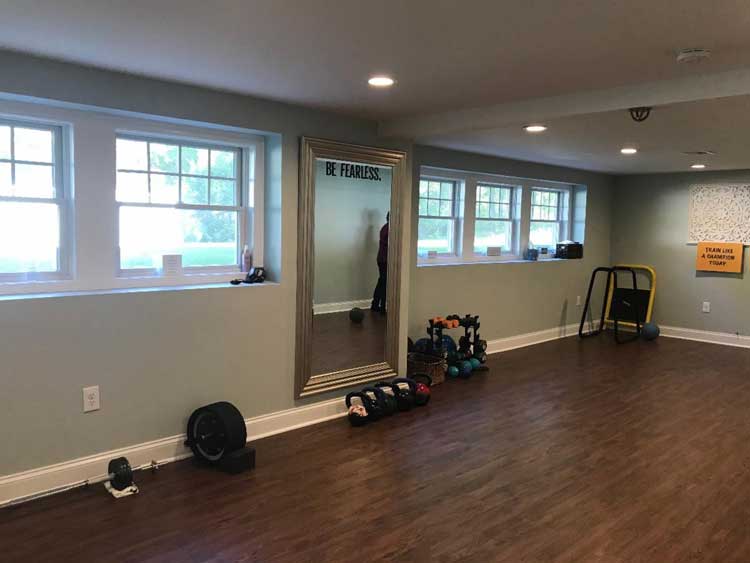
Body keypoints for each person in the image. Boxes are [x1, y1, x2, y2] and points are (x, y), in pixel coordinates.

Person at [371, 212, 389, 313]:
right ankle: (381, 307)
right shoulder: (388, 229)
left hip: (382, 259)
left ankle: (375, 304)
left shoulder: (385, 227)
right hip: (384, 260)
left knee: (382, 282)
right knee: (384, 282)